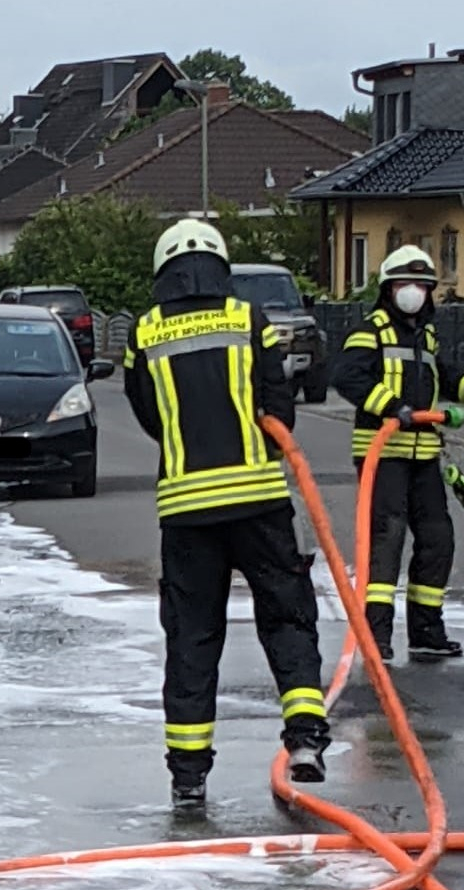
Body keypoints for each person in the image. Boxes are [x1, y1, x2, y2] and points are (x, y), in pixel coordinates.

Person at [123, 219, 331, 809]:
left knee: (191, 639)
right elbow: (279, 405)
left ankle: (188, 775)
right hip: (260, 504)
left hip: (187, 512)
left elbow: (148, 415)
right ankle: (306, 741)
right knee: (287, 620)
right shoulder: (249, 320)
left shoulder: (144, 332)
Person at [331, 245, 464, 661]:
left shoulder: (425, 336)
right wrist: (394, 409)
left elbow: (442, 375)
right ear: (388, 289)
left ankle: (426, 631)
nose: (413, 292)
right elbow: (348, 378)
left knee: (437, 539)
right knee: (387, 540)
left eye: (421, 285)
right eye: (404, 284)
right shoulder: (370, 331)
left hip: (424, 453)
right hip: (384, 455)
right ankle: (376, 637)